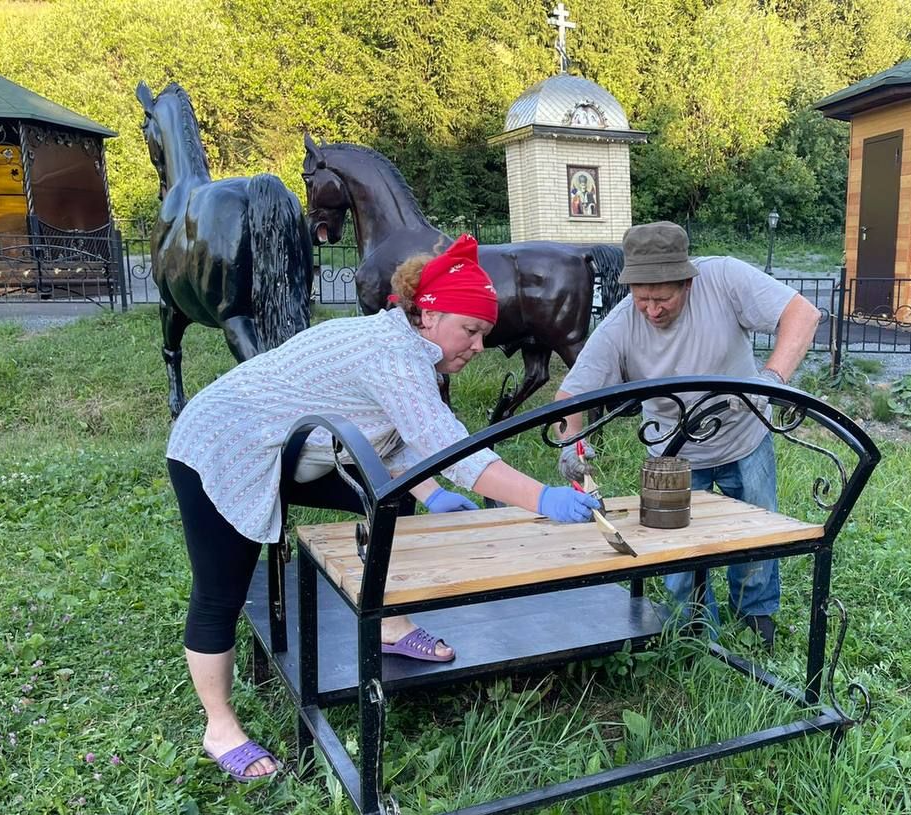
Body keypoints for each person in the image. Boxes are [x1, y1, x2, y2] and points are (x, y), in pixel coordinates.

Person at [166, 235, 600, 782]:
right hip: (220, 447)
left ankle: (390, 626)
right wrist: (544, 499)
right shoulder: (392, 352)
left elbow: (393, 442)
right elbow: (453, 450)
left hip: (291, 449)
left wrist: (431, 494)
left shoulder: (408, 344)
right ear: (431, 313)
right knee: (220, 589)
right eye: (471, 329)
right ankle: (219, 726)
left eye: (486, 334)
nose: (479, 346)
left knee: (390, 501)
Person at [552, 221, 822, 648]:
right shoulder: (624, 322)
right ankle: (696, 630)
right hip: (671, 456)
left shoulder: (725, 279)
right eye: (643, 298)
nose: (652, 310)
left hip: (743, 437)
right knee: (674, 544)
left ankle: (755, 617)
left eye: (663, 298)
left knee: (754, 533)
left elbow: (803, 314)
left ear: (688, 281)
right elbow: (571, 396)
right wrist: (572, 443)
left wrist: (772, 380)